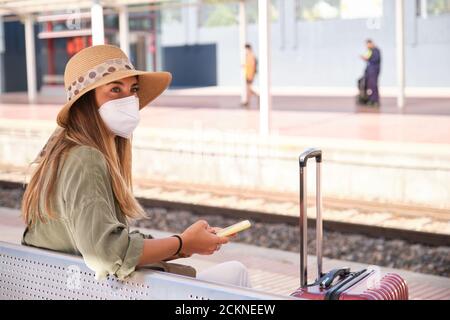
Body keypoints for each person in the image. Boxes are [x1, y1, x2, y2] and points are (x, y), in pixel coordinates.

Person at [20, 44, 251, 288]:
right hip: (93, 291)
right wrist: (183, 243)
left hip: (71, 288)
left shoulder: (66, 154)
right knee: (236, 273)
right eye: (115, 90)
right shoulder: (85, 159)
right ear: (87, 102)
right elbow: (107, 254)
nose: (128, 100)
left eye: (133, 90)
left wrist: (184, 245)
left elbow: (109, 241)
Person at [360, 39, 381, 107]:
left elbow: (375, 60)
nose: (367, 46)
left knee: (374, 85)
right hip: (369, 71)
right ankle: (371, 99)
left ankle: (375, 100)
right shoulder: (370, 51)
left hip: (374, 70)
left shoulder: (376, 50)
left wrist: (367, 59)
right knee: (369, 86)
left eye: (368, 44)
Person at [241, 44, 259, 108]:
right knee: (248, 89)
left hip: (250, 74)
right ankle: (247, 101)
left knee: (248, 89)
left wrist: (251, 74)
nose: (245, 51)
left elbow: (252, 66)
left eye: (246, 49)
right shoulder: (248, 55)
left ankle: (256, 97)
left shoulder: (251, 56)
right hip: (248, 74)